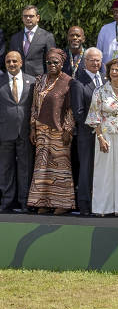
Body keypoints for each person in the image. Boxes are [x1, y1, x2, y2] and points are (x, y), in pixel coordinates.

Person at [27, 48, 76, 214]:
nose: (52, 65)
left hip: (59, 130)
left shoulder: (68, 81)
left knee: (61, 167)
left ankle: (62, 203)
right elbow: (34, 106)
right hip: (41, 130)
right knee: (42, 166)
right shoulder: (39, 80)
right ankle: (43, 201)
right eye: (49, 62)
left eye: (56, 62)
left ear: (62, 64)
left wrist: (68, 129)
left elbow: (70, 108)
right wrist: (33, 127)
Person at [85, 58, 118, 216]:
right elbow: (94, 116)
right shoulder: (99, 91)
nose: (114, 72)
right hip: (104, 135)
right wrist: (100, 138)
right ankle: (102, 207)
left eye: (117, 70)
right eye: (112, 69)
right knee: (104, 172)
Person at [71, 47, 107, 215]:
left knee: (102, 169)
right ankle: (84, 203)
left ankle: (100, 202)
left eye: (98, 60)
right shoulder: (78, 82)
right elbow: (78, 113)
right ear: (85, 62)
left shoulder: (105, 80)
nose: (95, 63)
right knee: (86, 169)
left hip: (105, 134)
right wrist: (95, 127)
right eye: (92, 60)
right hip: (87, 134)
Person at [0, 51, 35, 212]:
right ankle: (7, 201)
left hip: (26, 132)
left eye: (15, 61)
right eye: (8, 62)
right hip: (4, 132)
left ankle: (24, 201)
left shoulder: (32, 82)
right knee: (5, 168)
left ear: (21, 62)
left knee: (25, 168)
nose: (11, 64)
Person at [10, 5, 56, 77]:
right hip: (19, 80)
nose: (28, 18)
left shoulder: (47, 36)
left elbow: (51, 61)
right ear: (22, 18)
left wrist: (48, 82)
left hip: (39, 81)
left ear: (37, 18)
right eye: (25, 16)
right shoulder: (15, 38)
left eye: (31, 16)